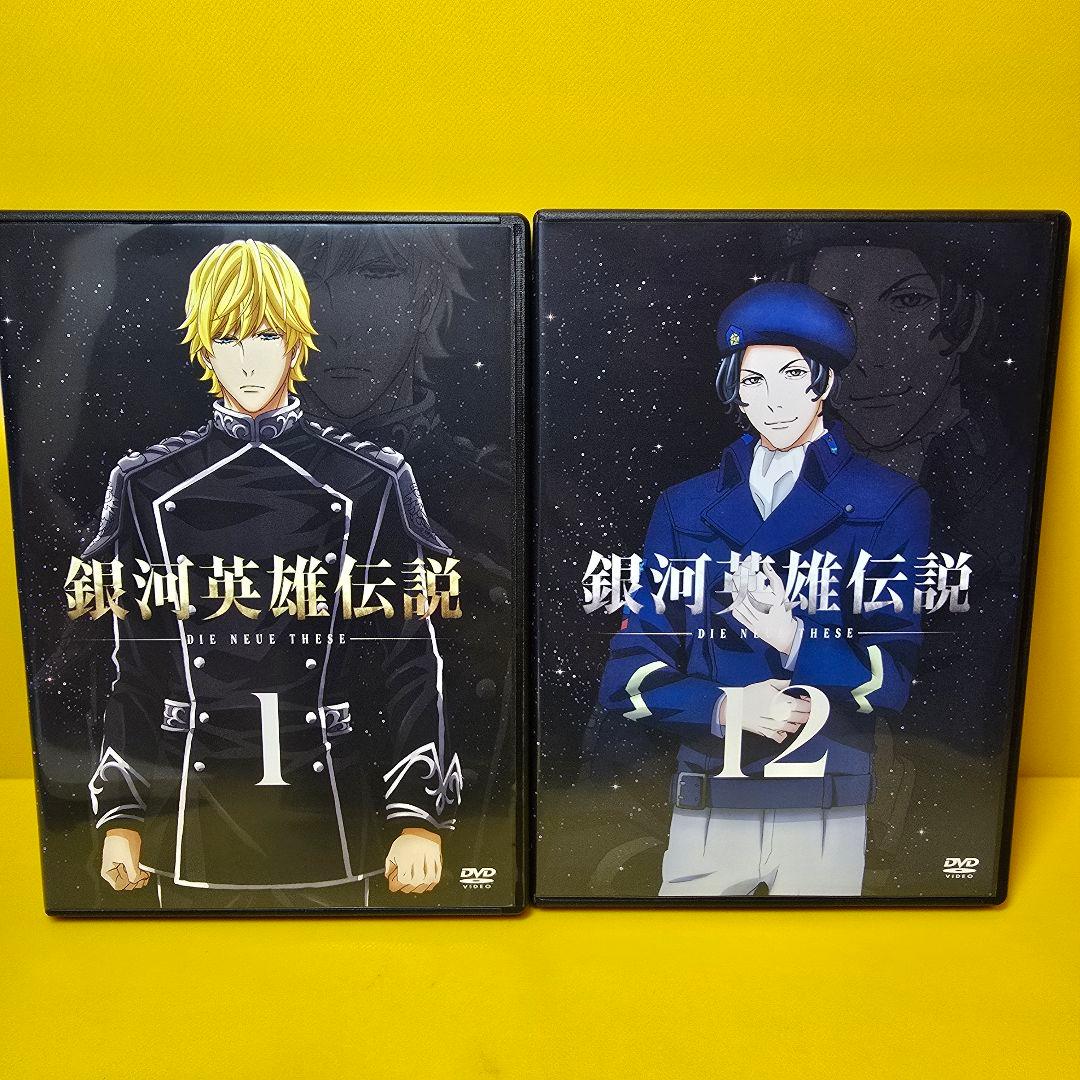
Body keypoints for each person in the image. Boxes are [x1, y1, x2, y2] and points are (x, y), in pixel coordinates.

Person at [84, 239, 461, 908]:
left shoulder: (369, 481)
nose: (248, 359)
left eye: (265, 335)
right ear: (204, 350)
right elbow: (135, 664)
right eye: (228, 338)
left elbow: (408, 658)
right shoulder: (147, 484)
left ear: (296, 339)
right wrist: (121, 815)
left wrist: (415, 817)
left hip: (335, 809)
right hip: (192, 816)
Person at [598, 282, 930, 896]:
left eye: (792, 375)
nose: (773, 400)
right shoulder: (684, 507)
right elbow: (627, 675)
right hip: (708, 798)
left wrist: (796, 640)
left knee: (817, 950)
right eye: (753, 381)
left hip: (826, 801)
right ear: (735, 389)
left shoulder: (890, 503)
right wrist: (725, 707)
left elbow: (892, 681)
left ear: (823, 383)